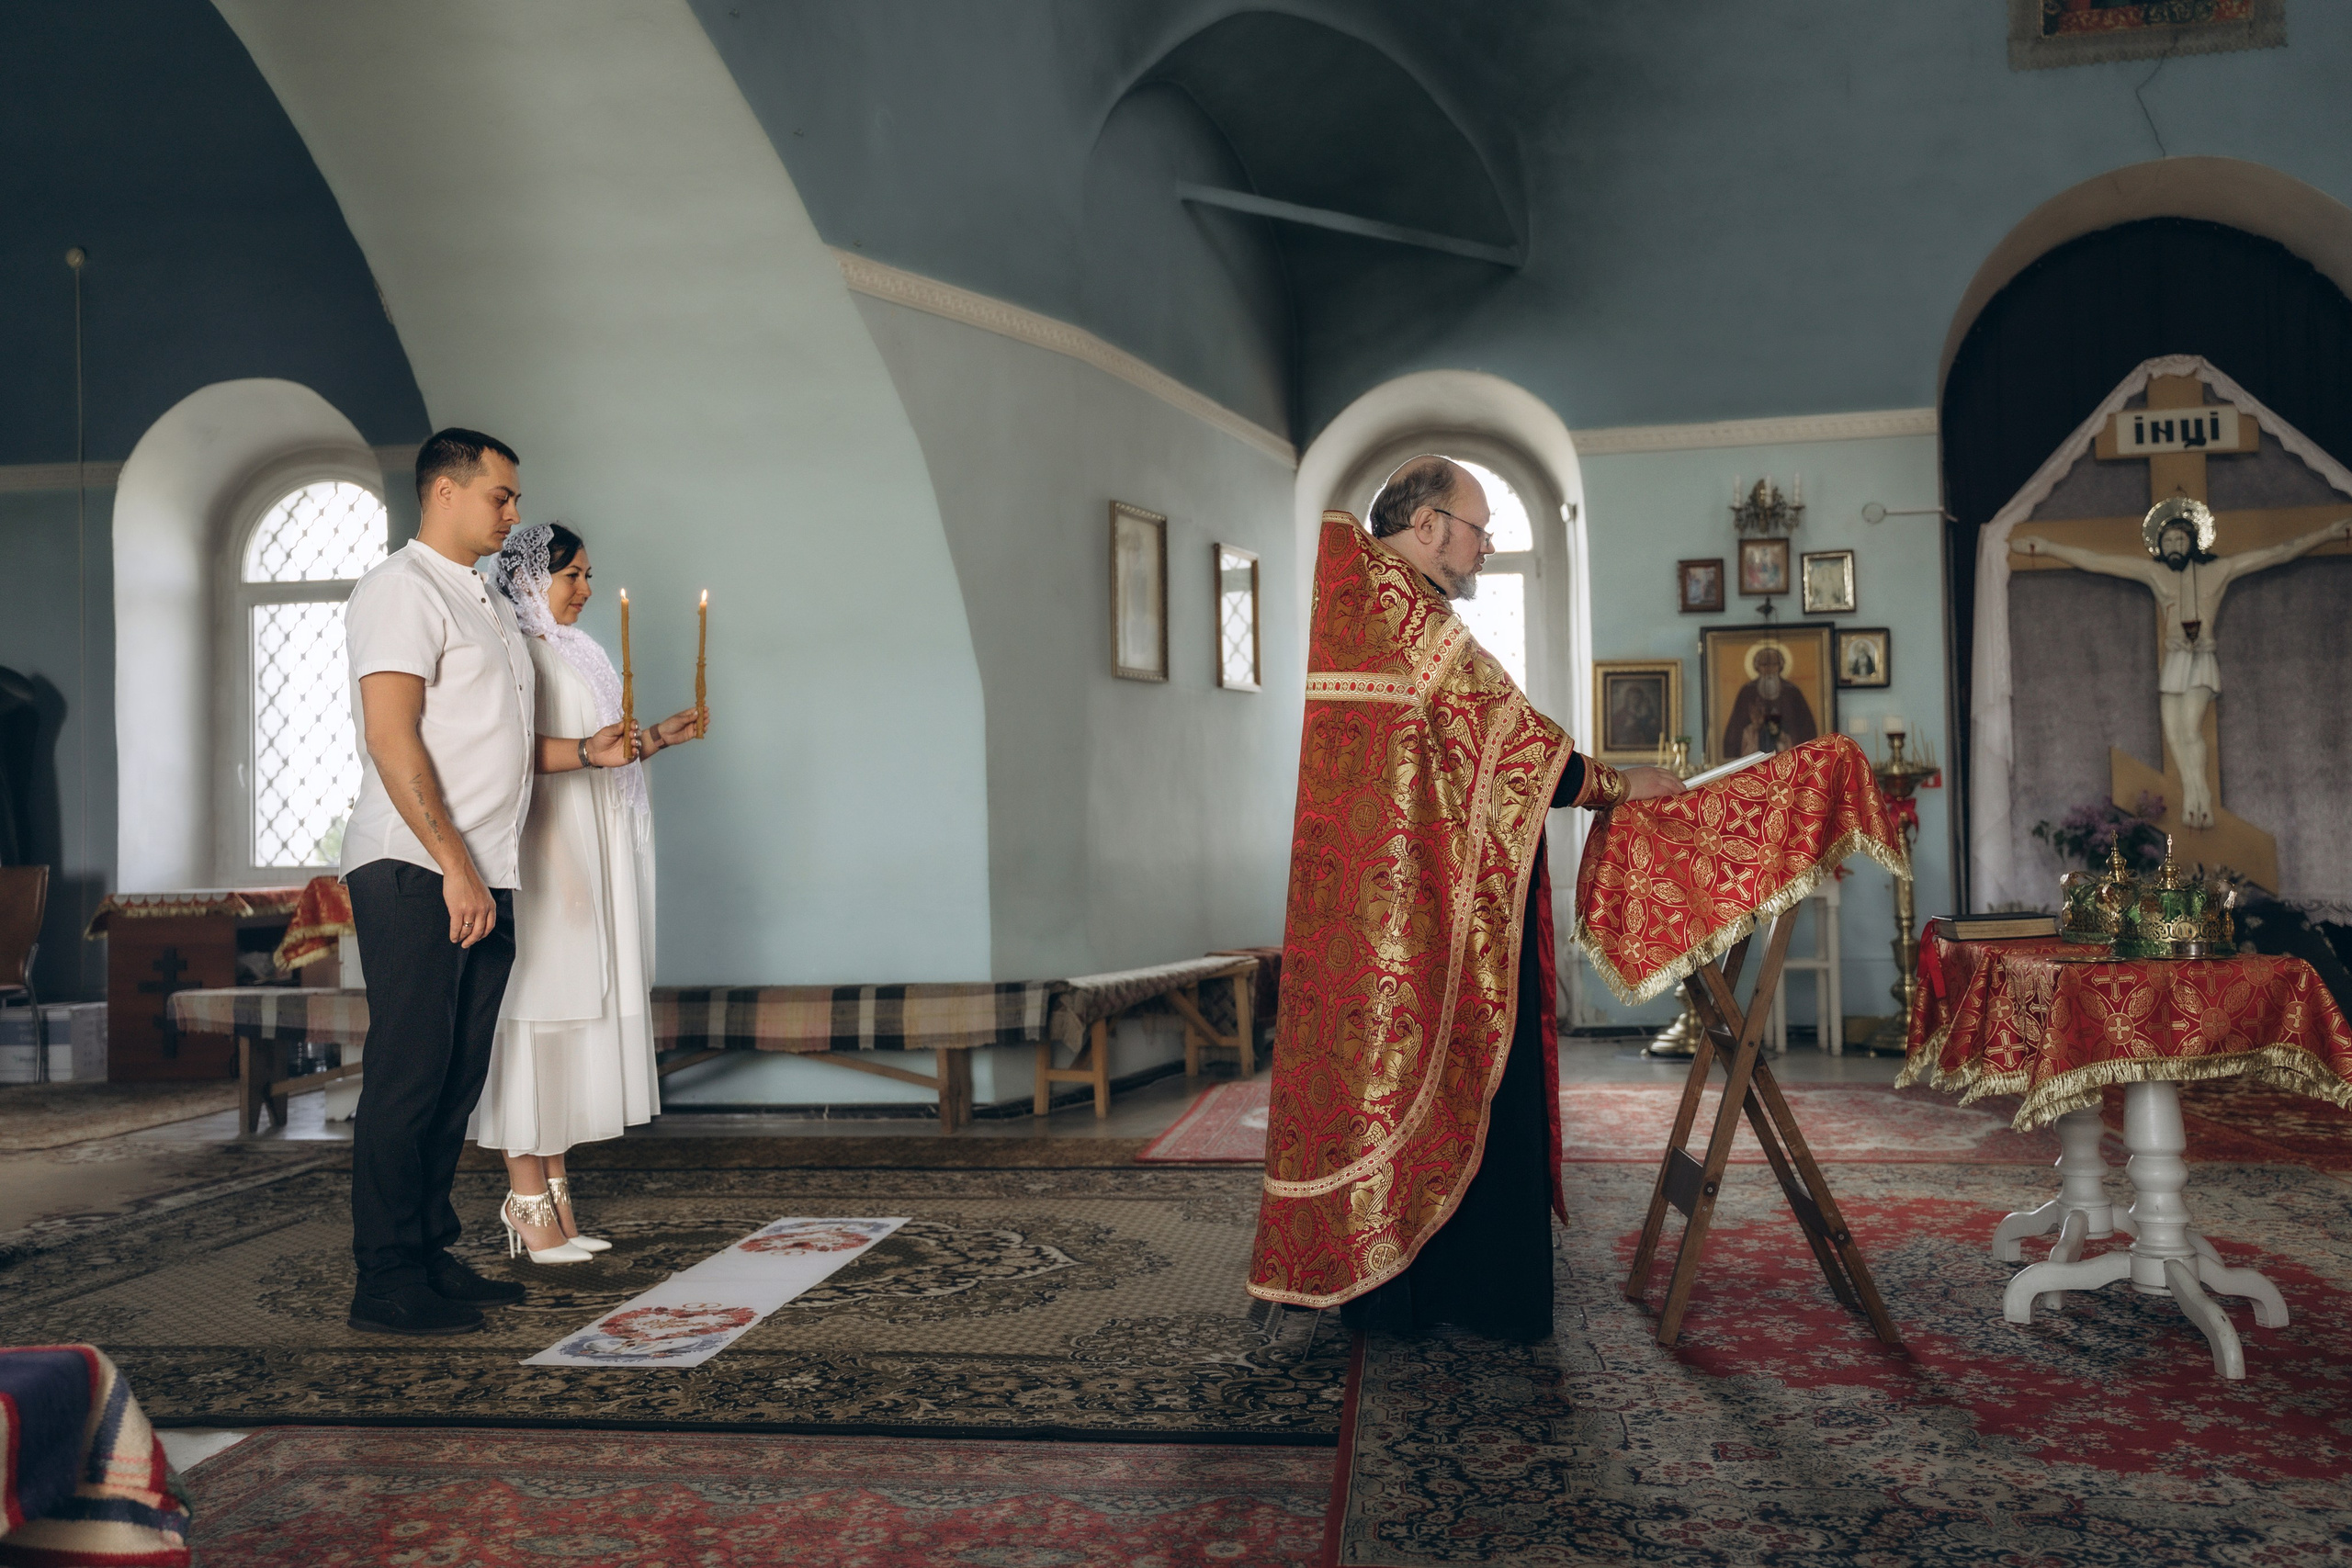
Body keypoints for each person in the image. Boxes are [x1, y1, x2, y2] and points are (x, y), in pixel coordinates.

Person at [1247, 456, 1683, 1342]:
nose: (1485, 550)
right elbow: (1514, 743)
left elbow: (1481, 748)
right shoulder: (1411, 618)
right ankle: (1466, 1289)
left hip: (1381, 908)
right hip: (1416, 914)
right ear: (1430, 524)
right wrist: (1617, 782)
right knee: (1447, 1073)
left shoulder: (1370, 601)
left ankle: (1391, 1282)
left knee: (1376, 1079)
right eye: (1480, 529)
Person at [341, 429, 635, 1336]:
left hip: (482, 874)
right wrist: (456, 869)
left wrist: (588, 752)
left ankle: (429, 1254)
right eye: (501, 498)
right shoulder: (400, 590)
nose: (514, 517)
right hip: (415, 869)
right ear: (445, 492)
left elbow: (502, 744)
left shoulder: (485, 603)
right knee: (409, 1077)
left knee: (456, 1077)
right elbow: (394, 738)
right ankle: (385, 1279)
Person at [470, 523, 707, 1264]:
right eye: (573, 574)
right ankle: (525, 1199)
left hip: (590, 855)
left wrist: (658, 737)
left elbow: (601, 750)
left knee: (573, 1022)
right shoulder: (523, 655)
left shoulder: (578, 652)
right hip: (550, 858)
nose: (587, 588)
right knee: (535, 1023)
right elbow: (516, 762)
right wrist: (566, 874)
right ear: (534, 578)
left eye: (588, 573)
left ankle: (558, 1200)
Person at [2018, 502, 2348, 828]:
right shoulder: (2154, 572)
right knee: (2174, 732)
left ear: (2194, 542)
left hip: (2201, 657)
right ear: (2159, 546)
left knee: (2190, 729)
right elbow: (2097, 561)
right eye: (2168, 541)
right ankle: (2193, 793)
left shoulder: (2218, 570)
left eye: (2180, 539)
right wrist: (2048, 547)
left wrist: (2327, 534)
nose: (2174, 546)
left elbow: (2279, 552)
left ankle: (2199, 796)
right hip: (2175, 659)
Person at [1721, 643, 1817, 758]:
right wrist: (1755, 726)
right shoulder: (1747, 691)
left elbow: (1805, 729)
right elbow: (1735, 729)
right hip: (1754, 754)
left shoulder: (1792, 692)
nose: (1769, 669)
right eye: (1764, 665)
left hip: (1785, 753)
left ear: (1780, 666)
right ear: (1757, 666)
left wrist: (1784, 735)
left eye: (1773, 664)